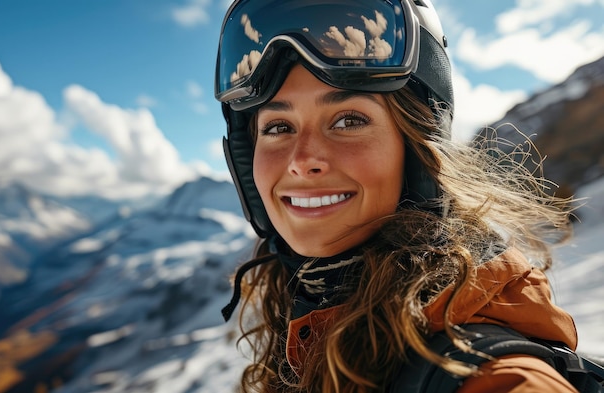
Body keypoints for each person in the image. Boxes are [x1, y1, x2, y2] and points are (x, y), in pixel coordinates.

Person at [214, 0, 579, 392]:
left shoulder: (497, 379)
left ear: (419, 149)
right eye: (278, 126)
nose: (302, 161)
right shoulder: (301, 334)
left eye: (348, 121)